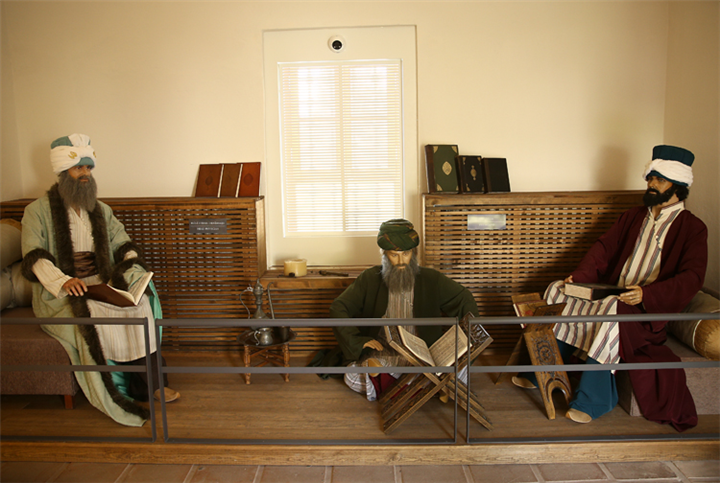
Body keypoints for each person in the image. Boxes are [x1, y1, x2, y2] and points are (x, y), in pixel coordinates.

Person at [514, 145, 707, 432]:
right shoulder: (633, 216)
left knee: (612, 309)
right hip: (612, 292)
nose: (651, 184)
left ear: (678, 185)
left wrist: (646, 294)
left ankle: (595, 400)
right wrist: (579, 278)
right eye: (650, 178)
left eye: (659, 179)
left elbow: (692, 277)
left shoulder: (693, 228)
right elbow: (604, 248)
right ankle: (544, 370)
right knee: (557, 291)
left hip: (646, 309)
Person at [21, 133, 179, 427]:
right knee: (94, 313)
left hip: (101, 281)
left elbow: (122, 242)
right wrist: (63, 281)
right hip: (62, 290)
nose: (85, 174)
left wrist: (131, 265)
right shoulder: (36, 211)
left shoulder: (101, 209)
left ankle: (150, 385)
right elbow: (34, 255)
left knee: (140, 306)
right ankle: (117, 392)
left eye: (88, 168)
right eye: (78, 168)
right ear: (63, 171)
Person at [327, 219, 480, 400]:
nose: (401, 261)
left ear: (413, 253)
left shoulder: (431, 278)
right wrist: (357, 341)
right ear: (385, 255)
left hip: (425, 356)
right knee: (351, 376)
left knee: (462, 367)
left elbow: (464, 299)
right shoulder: (370, 278)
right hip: (385, 354)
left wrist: (466, 339)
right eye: (394, 255)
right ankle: (432, 387)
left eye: (406, 254)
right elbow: (339, 307)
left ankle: (396, 385)